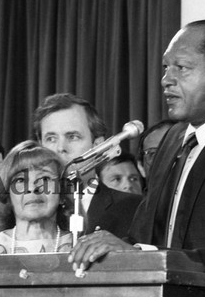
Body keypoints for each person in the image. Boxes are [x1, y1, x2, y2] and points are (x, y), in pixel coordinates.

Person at [68, 19, 205, 297]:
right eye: (165, 68)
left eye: (181, 68)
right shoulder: (172, 141)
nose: (165, 80)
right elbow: (142, 238)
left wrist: (141, 255)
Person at [32, 93, 142, 237]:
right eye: (51, 138)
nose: (60, 148)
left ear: (98, 145)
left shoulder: (134, 208)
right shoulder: (28, 209)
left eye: (73, 137)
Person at [0, 140, 73, 255]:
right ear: (7, 196)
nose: (32, 188)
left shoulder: (82, 251)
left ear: (62, 194)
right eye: (20, 180)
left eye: (45, 179)